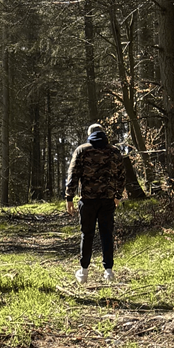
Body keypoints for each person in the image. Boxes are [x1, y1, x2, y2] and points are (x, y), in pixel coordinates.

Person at [64, 122, 127, 285]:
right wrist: (117, 195)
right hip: (107, 200)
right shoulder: (114, 151)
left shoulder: (82, 150)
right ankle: (109, 272)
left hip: (88, 200)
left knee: (87, 234)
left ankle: (83, 272)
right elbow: (121, 175)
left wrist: (69, 197)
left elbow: (73, 175)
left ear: (89, 134)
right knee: (107, 234)